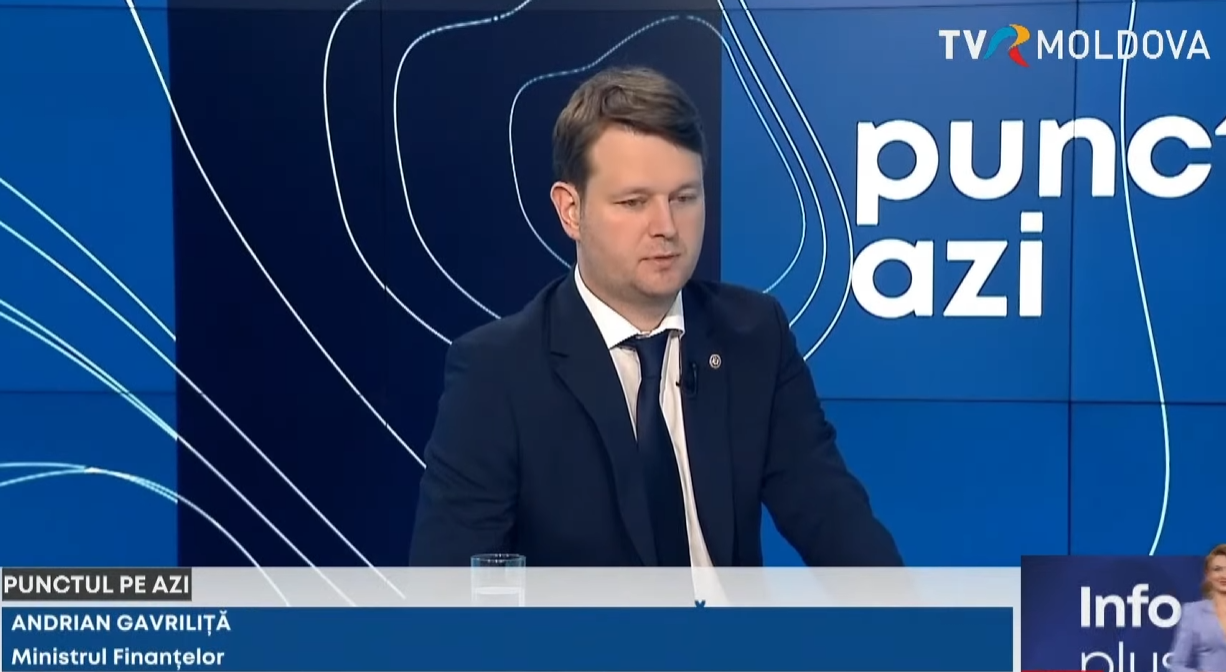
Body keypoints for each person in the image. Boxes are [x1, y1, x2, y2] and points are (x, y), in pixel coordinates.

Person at [408, 65, 901, 568]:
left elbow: (835, 519)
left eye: (684, 198)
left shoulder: (754, 335)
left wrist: (910, 616)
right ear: (570, 210)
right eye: (634, 202)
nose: (666, 226)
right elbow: (450, 588)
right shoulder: (500, 372)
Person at [1169, 544, 1226, 672]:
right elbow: (1176, 665)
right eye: (1217, 569)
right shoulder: (1193, 612)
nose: (1224, 575)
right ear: (1208, 574)